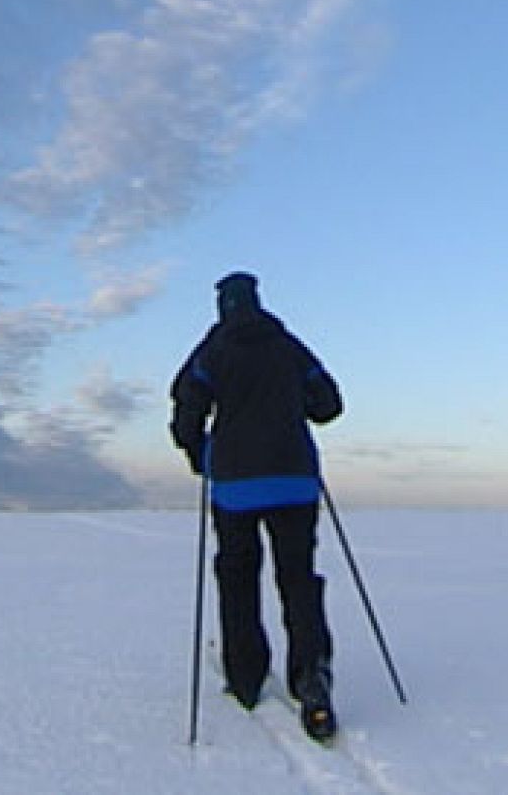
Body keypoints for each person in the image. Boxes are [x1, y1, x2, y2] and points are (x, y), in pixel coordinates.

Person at [170, 271, 344, 740]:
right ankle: (311, 676)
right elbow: (328, 404)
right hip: (294, 480)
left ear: (222, 305)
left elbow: (186, 407)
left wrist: (199, 453)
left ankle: (245, 678)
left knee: (237, 574)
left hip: (234, 485)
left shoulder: (213, 350)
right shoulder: (289, 346)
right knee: (298, 577)